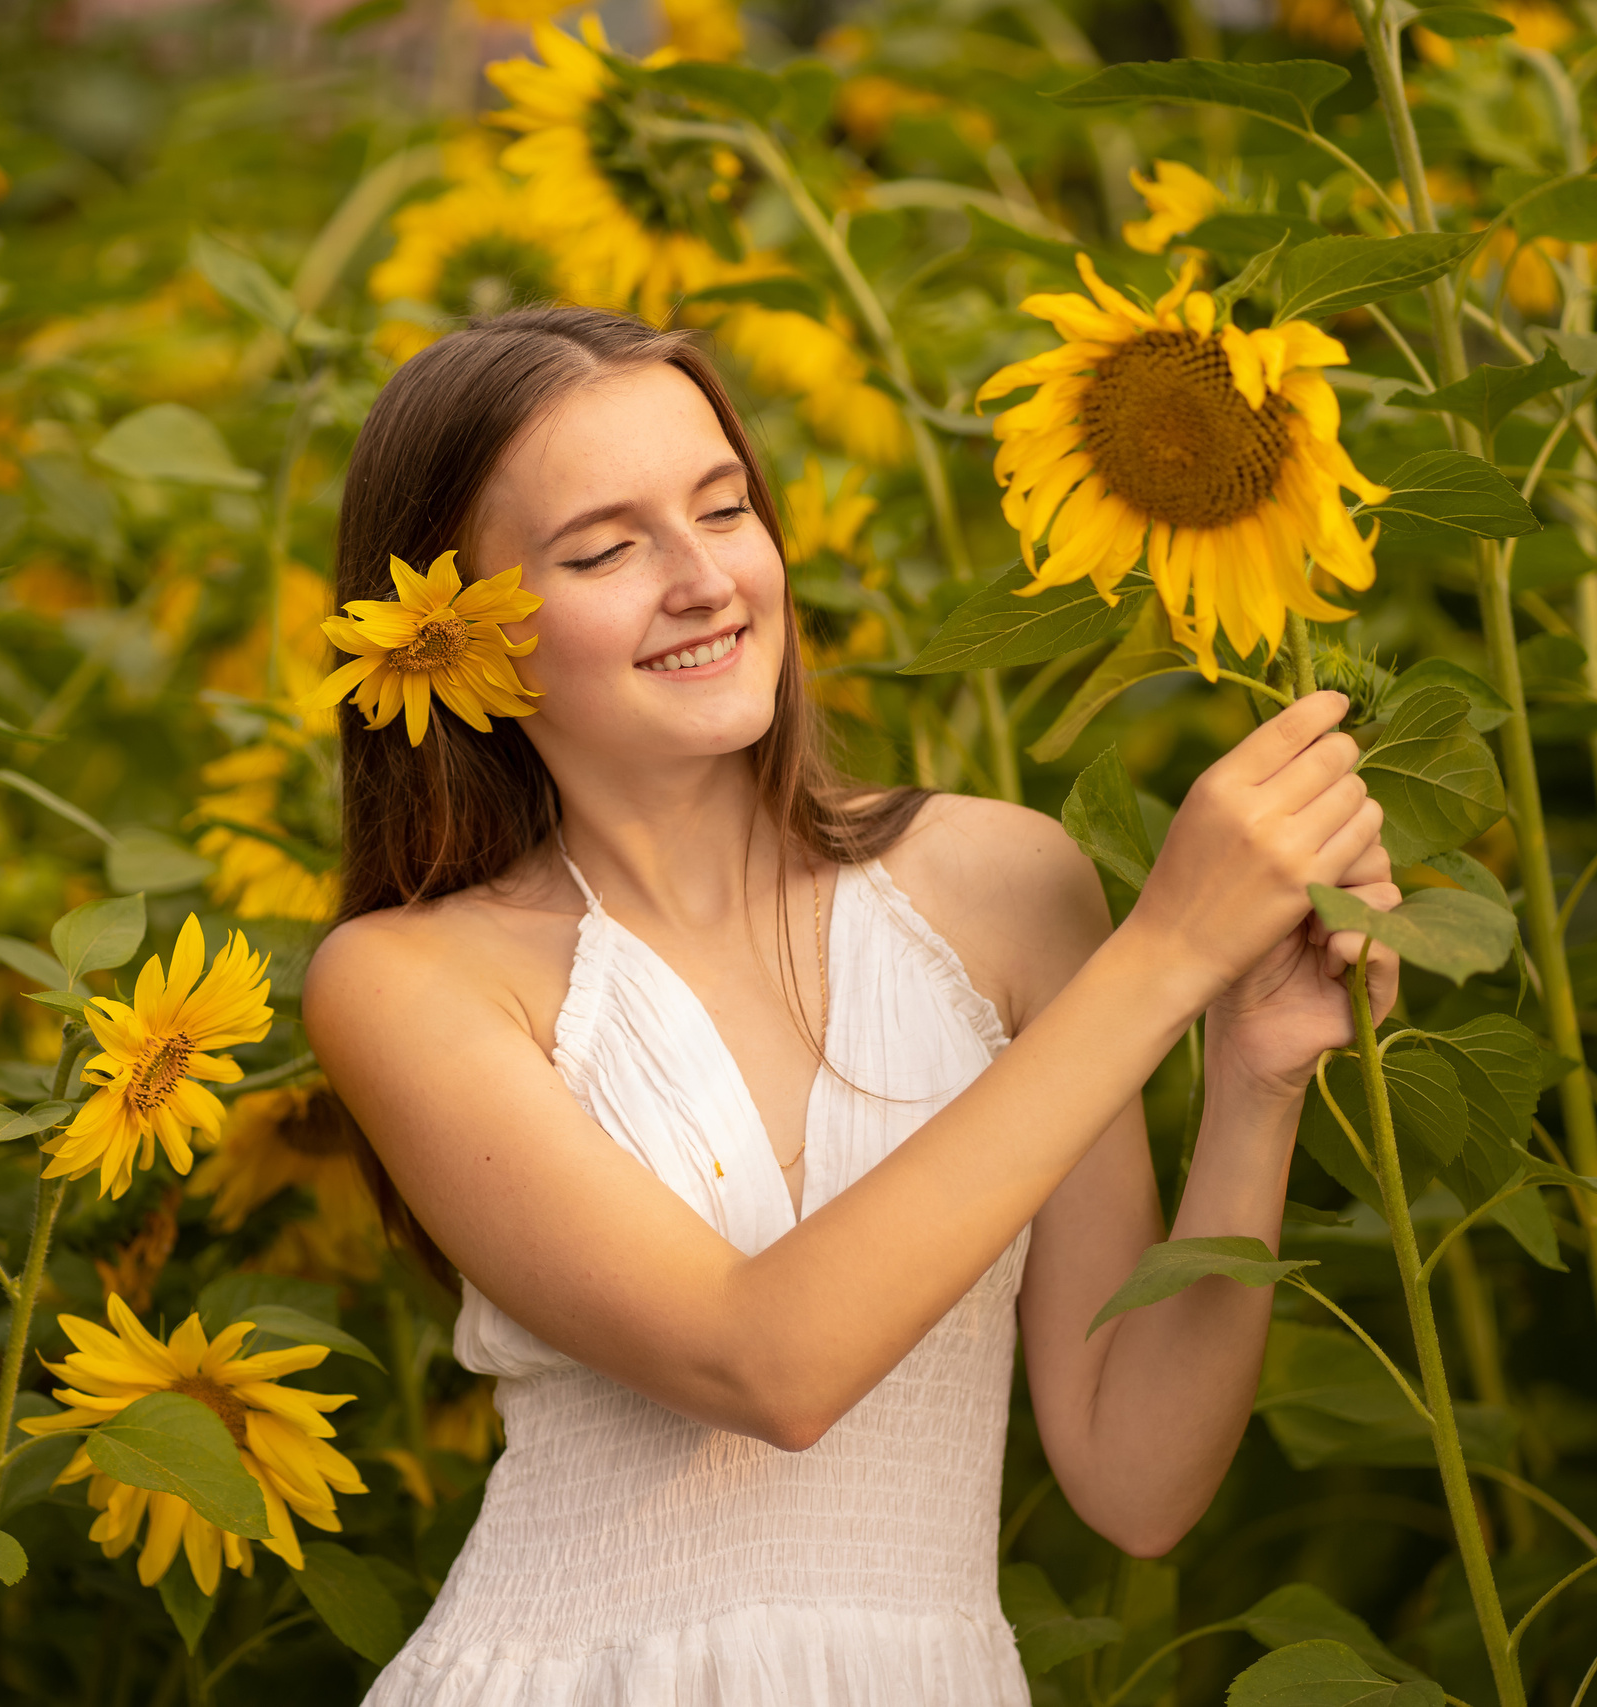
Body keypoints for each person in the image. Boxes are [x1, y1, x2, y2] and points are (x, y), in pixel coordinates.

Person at [303, 304, 1397, 1706]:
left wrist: (1256, 1075)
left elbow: (1135, 1480)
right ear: (456, 634)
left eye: (724, 509)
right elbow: (767, 1366)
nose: (706, 580)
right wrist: (1168, 954)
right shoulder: (410, 980)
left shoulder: (1006, 884)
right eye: (605, 550)